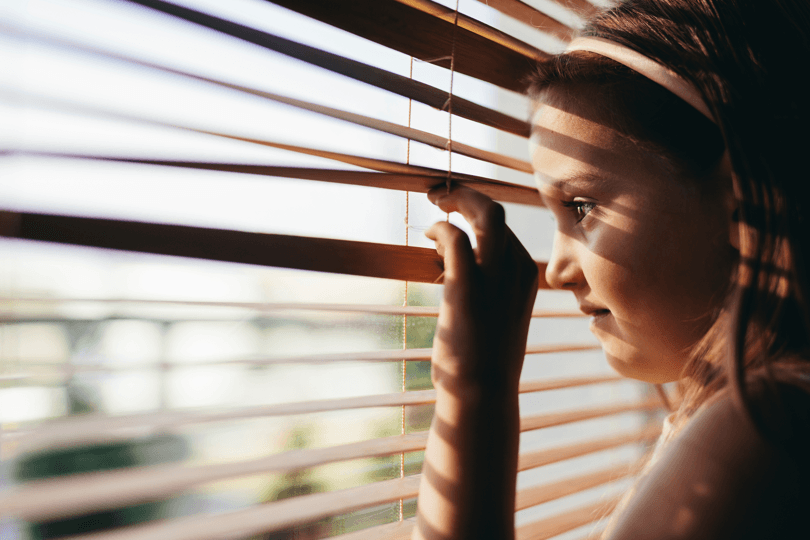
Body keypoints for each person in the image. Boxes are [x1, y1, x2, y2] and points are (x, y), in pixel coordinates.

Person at [411, 0, 810, 538]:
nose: (555, 271)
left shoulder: (764, 428)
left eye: (580, 207)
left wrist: (474, 391)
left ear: (739, 195)